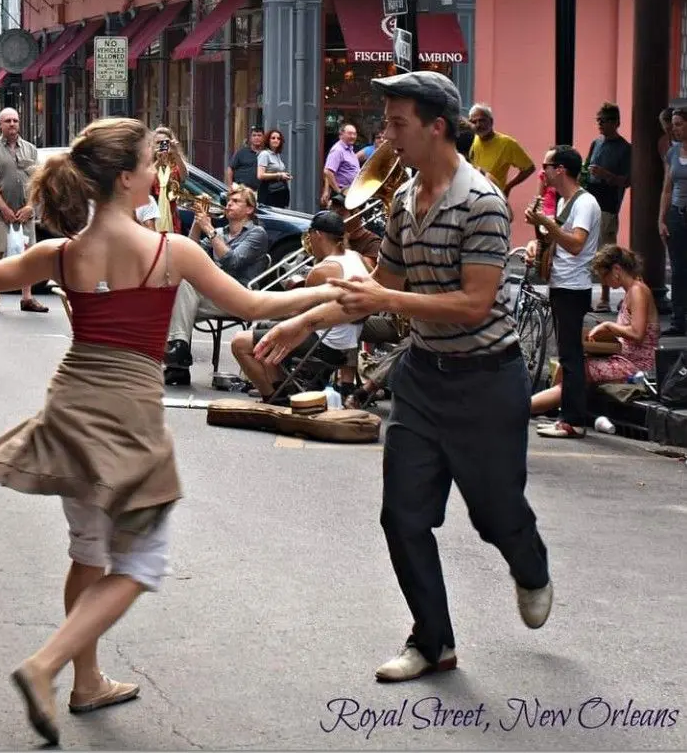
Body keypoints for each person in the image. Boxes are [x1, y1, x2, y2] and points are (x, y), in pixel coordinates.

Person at [0, 118, 342, 744]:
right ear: (126, 179)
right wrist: (331, 294)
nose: (159, 172)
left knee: (88, 552)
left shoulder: (63, 252)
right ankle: (46, 665)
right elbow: (256, 307)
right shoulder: (169, 251)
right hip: (127, 419)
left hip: (68, 409)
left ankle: (86, 680)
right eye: (152, 162)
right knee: (141, 562)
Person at [256, 71, 552, 683]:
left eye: (397, 124)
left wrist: (389, 303)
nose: (385, 137)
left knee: (495, 515)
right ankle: (433, 641)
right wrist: (300, 323)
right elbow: (380, 289)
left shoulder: (483, 203)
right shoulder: (401, 200)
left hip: (487, 380)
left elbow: (474, 303)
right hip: (421, 377)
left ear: (436, 127)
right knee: (403, 517)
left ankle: (530, 565)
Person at [231, 211, 368, 403]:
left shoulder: (322, 270)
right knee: (263, 330)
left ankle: (273, 397)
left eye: (310, 234)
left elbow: (296, 314)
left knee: (240, 342)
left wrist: (266, 306)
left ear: (318, 235)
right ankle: (282, 387)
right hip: (347, 344)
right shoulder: (357, 257)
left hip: (326, 345)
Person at [525, 145, 601, 439]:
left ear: (561, 169)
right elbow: (556, 241)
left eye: (546, 165)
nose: (542, 171)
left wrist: (544, 223)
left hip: (573, 286)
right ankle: (567, 418)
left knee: (570, 356)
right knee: (566, 355)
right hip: (562, 283)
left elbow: (576, 244)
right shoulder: (563, 202)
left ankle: (574, 420)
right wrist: (537, 244)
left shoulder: (585, 203)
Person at [530, 245, 659, 420]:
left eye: (604, 276)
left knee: (576, 372)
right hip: (623, 357)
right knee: (567, 366)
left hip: (636, 364)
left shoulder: (638, 290)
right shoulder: (632, 291)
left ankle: (526, 408)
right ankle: (556, 405)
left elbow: (637, 333)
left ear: (616, 270)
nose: (604, 282)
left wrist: (609, 326)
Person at [163, 184, 269, 371]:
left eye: (235, 201)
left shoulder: (256, 234)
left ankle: (177, 360)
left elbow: (233, 262)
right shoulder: (221, 233)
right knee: (172, 298)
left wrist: (209, 229)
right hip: (215, 295)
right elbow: (190, 253)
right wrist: (197, 224)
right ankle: (178, 359)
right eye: (228, 201)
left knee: (181, 300)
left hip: (240, 297)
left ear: (249, 209)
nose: (228, 205)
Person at [0, 108, 47, 315]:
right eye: (7, 121)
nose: (12, 124)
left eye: (15, 120)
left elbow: (38, 181)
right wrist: (4, 208)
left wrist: (29, 207)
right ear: (0, 124)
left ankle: (27, 298)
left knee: (27, 256)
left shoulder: (31, 150)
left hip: (25, 215)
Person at [583, 102, 632, 312]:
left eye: (603, 120)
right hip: (591, 198)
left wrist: (606, 175)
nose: (599, 124)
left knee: (606, 250)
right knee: (586, 248)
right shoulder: (596, 143)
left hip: (609, 202)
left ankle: (604, 297)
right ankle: (585, 293)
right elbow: (586, 167)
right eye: (598, 120)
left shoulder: (625, 148)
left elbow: (627, 180)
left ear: (616, 122)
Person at [658, 108, 687, 337]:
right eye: (673, 124)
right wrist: (662, 219)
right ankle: (678, 320)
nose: (674, 129)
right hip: (677, 214)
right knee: (678, 270)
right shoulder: (672, 152)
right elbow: (667, 189)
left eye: (678, 124)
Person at [467, 103, 536, 198]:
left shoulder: (507, 143)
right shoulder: (469, 140)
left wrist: (508, 187)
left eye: (482, 120)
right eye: (473, 122)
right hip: (471, 196)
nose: (478, 125)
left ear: (491, 121)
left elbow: (529, 168)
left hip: (493, 197)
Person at [150, 126, 187, 234]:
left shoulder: (175, 163)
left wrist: (176, 153)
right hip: (152, 216)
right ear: (152, 145)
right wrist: (158, 161)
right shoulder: (148, 162)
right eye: (158, 143)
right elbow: (146, 180)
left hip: (171, 216)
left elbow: (184, 177)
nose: (162, 145)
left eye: (166, 142)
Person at [321, 123, 360, 206]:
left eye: (354, 134)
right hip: (341, 195)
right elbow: (328, 171)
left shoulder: (350, 150)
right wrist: (338, 191)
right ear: (341, 135)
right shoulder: (338, 150)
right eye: (349, 133)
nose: (353, 136)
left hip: (350, 193)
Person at [256, 128, 292, 208]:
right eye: (273, 138)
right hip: (269, 193)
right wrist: (279, 175)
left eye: (278, 138)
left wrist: (284, 175)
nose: (276, 140)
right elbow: (260, 175)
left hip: (280, 192)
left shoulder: (277, 155)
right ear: (268, 140)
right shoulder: (264, 154)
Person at [225, 125, 265, 192]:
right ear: (250, 138)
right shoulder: (241, 152)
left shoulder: (266, 154)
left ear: (263, 137)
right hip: (241, 190)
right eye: (254, 135)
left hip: (259, 192)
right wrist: (230, 186)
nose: (257, 137)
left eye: (259, 135)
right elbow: (230, 169)